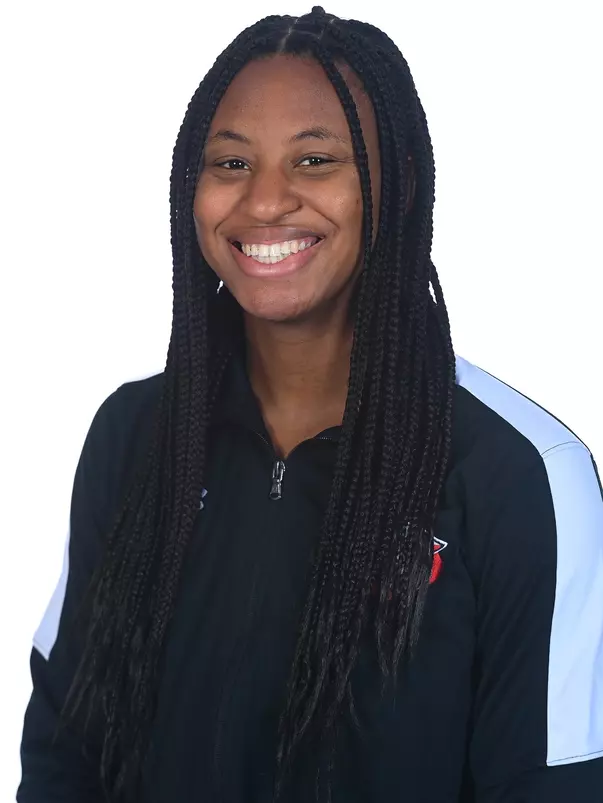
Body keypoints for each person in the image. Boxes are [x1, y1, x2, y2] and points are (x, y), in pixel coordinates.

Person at [17, 7, 603, 803]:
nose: (264, 202)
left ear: (394, 183)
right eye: (229, 163)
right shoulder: (135, 437)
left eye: (315, 159)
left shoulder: (519, 476)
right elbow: (62, 753)